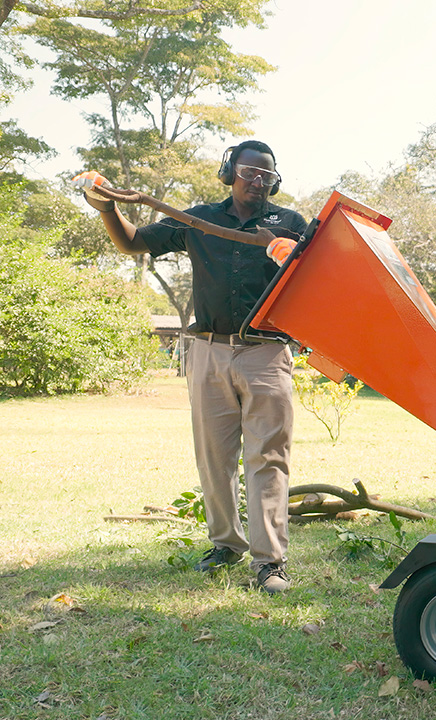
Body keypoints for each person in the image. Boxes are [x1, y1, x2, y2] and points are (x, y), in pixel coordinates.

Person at [77, 140, 307, 594]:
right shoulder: (197, 219)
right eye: (249, 172)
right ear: (229, 172)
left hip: (267, 352)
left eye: (267, 176)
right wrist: (104, 206)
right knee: (214, 457)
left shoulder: (291, 224)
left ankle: (269, 563)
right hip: (208, 351)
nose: (258, 182)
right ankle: (225, 544)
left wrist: (283, 250)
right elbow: (133, 242)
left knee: (268, 458)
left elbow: (313, 278)